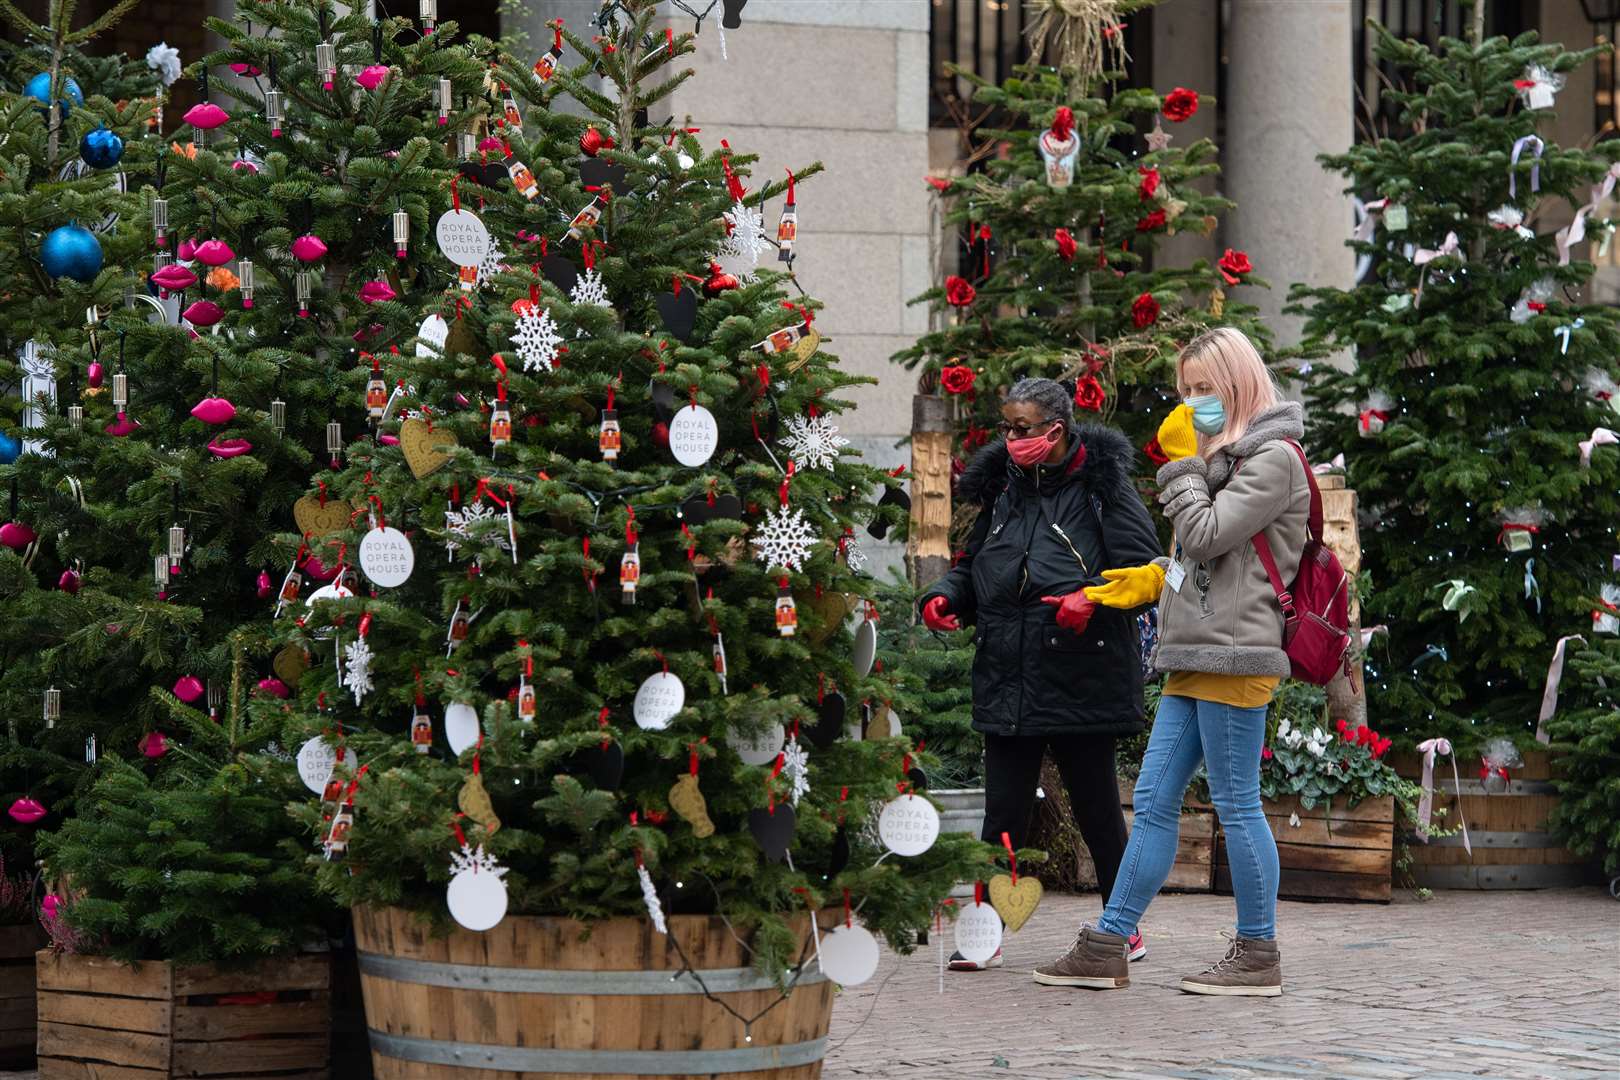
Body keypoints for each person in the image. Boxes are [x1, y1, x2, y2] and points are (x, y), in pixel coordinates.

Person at [1032, 327, 1308, 997]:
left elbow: (1209, 534)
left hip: (1236, 655)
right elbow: (1207, 560)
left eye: (1204, 390)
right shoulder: (1230, 460)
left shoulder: (1274, 459)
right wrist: (1150, 577)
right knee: (1154, 800)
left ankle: (1257, 954)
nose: (1190, 405)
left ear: (1238, 385)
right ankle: (1107, 942)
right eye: (1184, 391)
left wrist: (1182, 466)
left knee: (1237, 805)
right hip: (1196, 652)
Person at [919, 377, 1163, 971]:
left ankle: (1123, 925)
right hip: (1009, 671)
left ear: (1055, 431)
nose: (1009, 439)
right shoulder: (1007, 488)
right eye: (1004, 427)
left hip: (1082, 674)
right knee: (1001, 814)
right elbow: (978, 562)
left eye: (1021, 429)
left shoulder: (1103, 488)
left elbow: (1146, 572)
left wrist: (1092, 600)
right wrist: (948, 594)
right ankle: (983, 935)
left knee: (1097, 809)